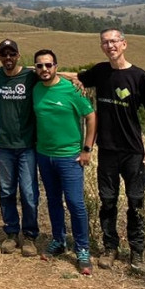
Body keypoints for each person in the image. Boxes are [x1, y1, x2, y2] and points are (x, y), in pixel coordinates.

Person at [69, 28, 145, 272]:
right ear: (102, 47)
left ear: (124, 44)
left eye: (114, 41)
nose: (110, 46)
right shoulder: (100, 72)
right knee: (107, 201)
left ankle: (137, 252)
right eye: (105, 42)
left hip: (132, 151)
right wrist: (45, 70)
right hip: (107, 149)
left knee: (136, 201)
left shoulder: (140, 76)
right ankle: (110, 248)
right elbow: (77, 77)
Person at [32, 49, 96, 275]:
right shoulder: (36, 88)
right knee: (52, 201)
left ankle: (82, 249)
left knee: (75, 204)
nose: (44, 69)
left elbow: (90, 116)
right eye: (39, 66)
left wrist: (87, 149)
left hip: (70, 156)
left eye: (48, 65)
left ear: (56, 66)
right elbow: (26, 71)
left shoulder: (71, 90)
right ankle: (59, 240)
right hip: (43, 154)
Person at [0, 39, 40, 257]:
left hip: (27, 146)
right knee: (6, 191)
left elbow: (52, 76)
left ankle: (31, 236)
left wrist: (77, 78)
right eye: (4, 54)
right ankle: (11, 233)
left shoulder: (31, 76)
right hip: (4, 145)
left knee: (28, 192)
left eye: (12, 54)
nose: (8, 58)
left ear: (18, 55)